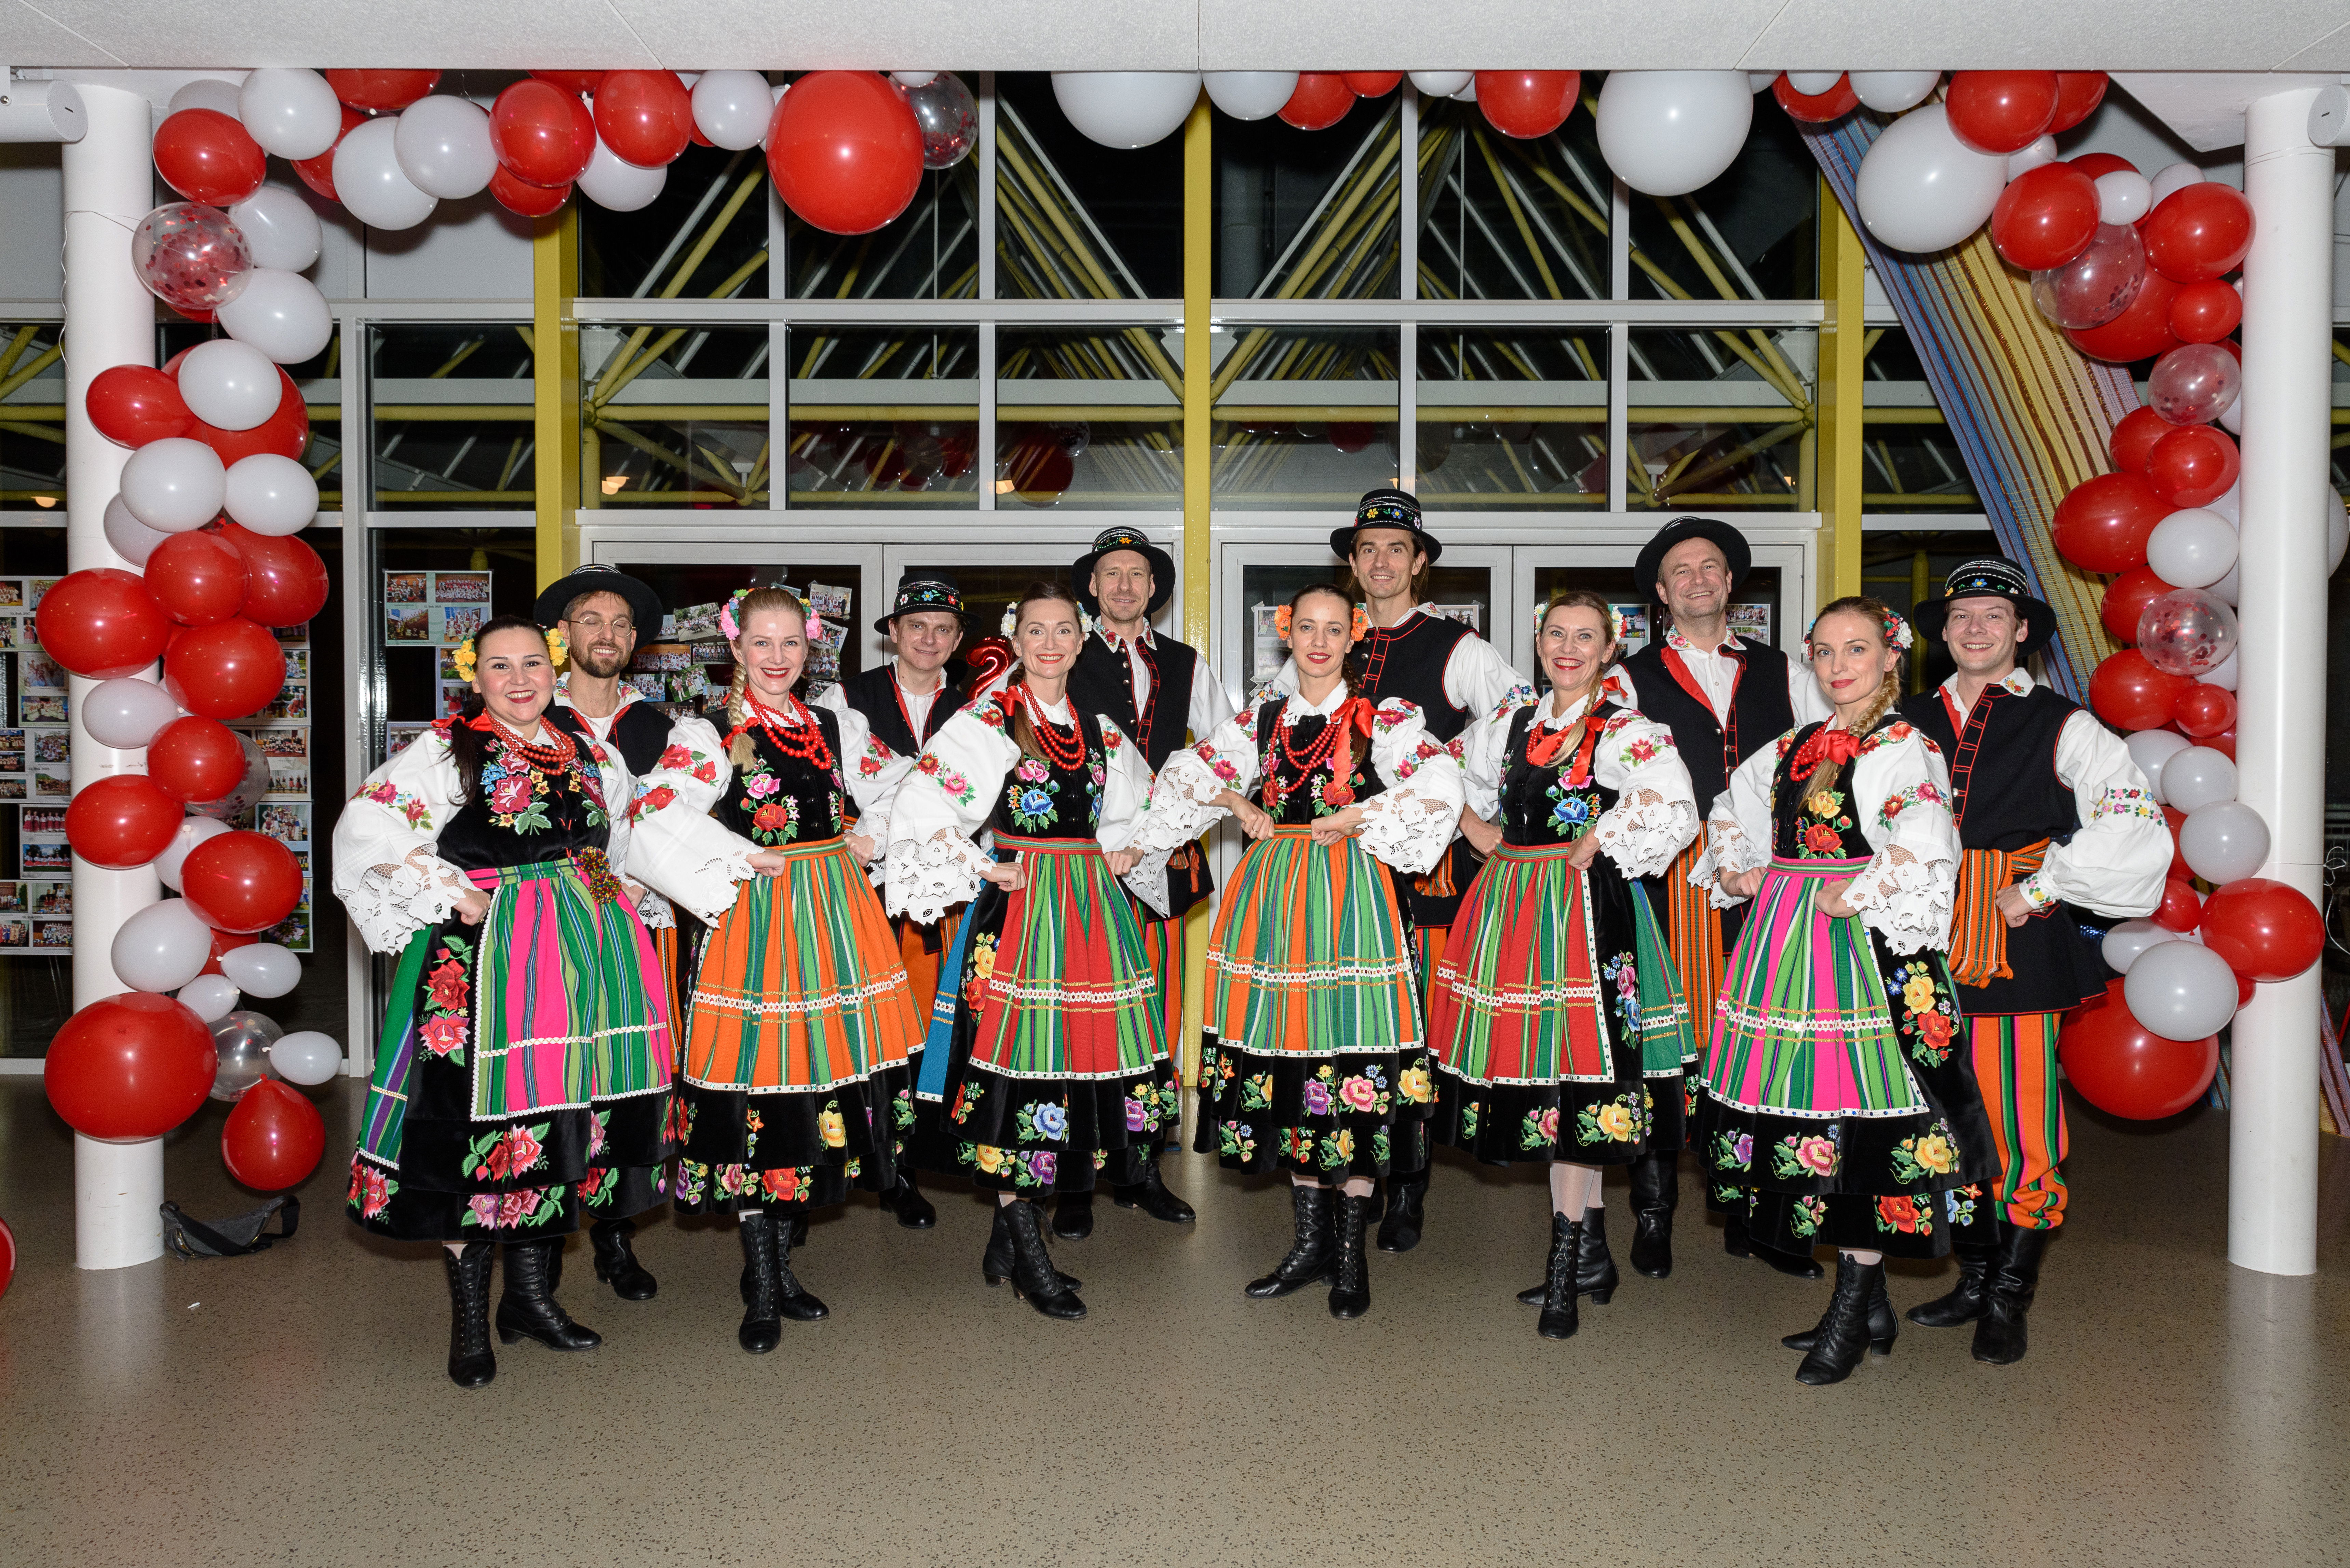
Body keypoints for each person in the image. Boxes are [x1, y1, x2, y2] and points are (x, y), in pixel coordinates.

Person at [334, 617, 675, 1388]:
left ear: (554, 669)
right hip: (489, 958)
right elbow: (368, 826)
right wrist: (445, 887)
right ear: (475, 677)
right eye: (499, 667)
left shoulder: (588, 749)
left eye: (531, 663)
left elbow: (623, 838)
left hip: (582, 955)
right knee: (477, 1124)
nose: (519, 679)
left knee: (554, 1122)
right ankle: (468, 1324)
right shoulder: (447, 752)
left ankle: (528, 1301)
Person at [1133, 582, 1464, 1319]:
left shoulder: (1384, 716)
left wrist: (1363, 811)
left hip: (1352, 903)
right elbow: (1188, 771)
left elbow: (1442, 781)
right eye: (1306, 628)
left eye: (1333, 629)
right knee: (1291, 1063)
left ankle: (1350, 1254)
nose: (1319, 641)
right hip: (1276, 902)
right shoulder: (1264, 716)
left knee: (1351, 1061)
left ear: (1354, 638)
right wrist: (1236, 802)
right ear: (1290, 635)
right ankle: (1308, 1244)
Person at [1694, 596, 1999, 1386]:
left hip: (1862, 953)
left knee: (1865, 1119)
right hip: (1788, 946)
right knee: (1814, 1115)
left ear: (1891, 658)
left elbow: (1926, 839)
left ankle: (1854, 1310)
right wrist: (1738, 866)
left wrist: (1853, 892)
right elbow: (1733, 805)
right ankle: (1864, 1305)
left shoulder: (1904, 744)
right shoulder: (1795, 745)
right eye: (1825, 651)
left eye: (1856, 649)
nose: (1838, 665)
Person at [625, 587, 920, 1354]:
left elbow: (905, 782)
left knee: (815, 1084)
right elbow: (652, 811)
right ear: (737, 647)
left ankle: (784, 1265)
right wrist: (734, 857)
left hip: (831, 917)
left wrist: (871, 834)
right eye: (763, 643)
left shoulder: (833, 722)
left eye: (792, 643)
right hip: (757, 921)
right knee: (761, 1083)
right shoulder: (707, 730)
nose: (778, 658)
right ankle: (760, 1280)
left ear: (811, 646)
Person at [882, 582, 1178, 1322]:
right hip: (1021, 916)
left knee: (1070, 1068)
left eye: (1064, 631)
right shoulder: (989, 720)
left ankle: (1008, 1244)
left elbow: (1145, 804)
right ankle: (1031, 1258)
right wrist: (984, 864)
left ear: (1082, 643)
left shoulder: (1101, 729)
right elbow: (924, 803)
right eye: (1036, 630)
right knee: (1023, 1073)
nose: (1050, 643)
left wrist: (1127, 847)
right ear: (1015, 642)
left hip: (1089, 917)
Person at [1898, 558, 2168, 1365]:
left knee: (2014, 1120)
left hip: (2012, 945)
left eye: (1993, 616)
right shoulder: (1903, 718)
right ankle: (1975, 1274)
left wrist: (2041, 889)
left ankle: (2010, 1295)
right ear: (1943, 634)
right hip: (1913, 936)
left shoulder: (2066, 723)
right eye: (1961, 616)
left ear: (2021, 632)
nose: (1975, 628)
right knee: (1937, 1115)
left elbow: (2131, 822)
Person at [1430, 589, 1699, 1340]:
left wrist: (1604, 836)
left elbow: (1673, 800)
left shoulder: (1623, 728)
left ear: (1611, 649)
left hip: (1586, 917)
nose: (1570, 648)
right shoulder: (1513, 722)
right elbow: (1438, 772)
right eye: (1557, 634)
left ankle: (1565, 1270)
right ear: (1540, 642)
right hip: (1514, 909)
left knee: (1581, 1078)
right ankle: (1590, 1260)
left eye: (1587, 637)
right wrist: (1477, 828)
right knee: (1553, 1079)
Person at [1278, 489, 1530, 1253]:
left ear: (1420, 562)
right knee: (1342, 1028)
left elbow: (1525, 729)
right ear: (1351, 565)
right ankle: (1347, 1181)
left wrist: (1466, 805)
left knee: (1409, 1028)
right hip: (1332, 877)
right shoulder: (1329, 645)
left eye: (1396, 549)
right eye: (1367, 550)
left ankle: (1408, 1187)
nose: (1381, 562)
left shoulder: (1461, 649)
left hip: (1422, 878)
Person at [1616, 516, 1831, 1282]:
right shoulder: (1626, 678)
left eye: (1712, 567)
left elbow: (1827, 763)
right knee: (1665, 1047)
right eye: (1683, 571)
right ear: (1661, 593)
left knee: (1766, 1044)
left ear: (1731, 584)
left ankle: (1756, 1214)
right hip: (1671, 880)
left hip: (1773, 881)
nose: (1700, 579)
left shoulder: (1792, 673)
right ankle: (1654, 1211)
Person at [1041, 525, 1234, 1239]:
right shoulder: (1057, 651)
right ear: (1092, 585)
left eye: (1138, 575)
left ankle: (1140, 1168)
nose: (1124, 585)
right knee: (1078, 1019)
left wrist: (1186, 809)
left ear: (1155, 589)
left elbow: (1226, 750)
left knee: (1151, 1018)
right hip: (1080, 866)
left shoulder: (1187, 662)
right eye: (1111, 573)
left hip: (1159, 867)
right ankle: (1074, 1181)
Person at [813, 570, 976, 1232]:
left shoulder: (975, 709)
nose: (928, 638)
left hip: (938, 900)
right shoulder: (842, 698)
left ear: (958, 638)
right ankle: (826, 1168)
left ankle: (902, 1169)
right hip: (861, 890)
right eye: (916, 626)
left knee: (919, 1035)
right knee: (852, 1032)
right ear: (893, 635)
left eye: (942, 629)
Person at [534, 563, 674, 1300]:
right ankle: (546, 1248)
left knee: (622, 1083)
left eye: (621, 625)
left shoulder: (662, 728)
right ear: (562, 635)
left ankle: (617, 1241)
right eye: (592, 620)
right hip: (547, 937)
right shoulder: (530, 714)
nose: (608, 635)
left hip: (631, 931)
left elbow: (682, 827)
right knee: (553, 1083)